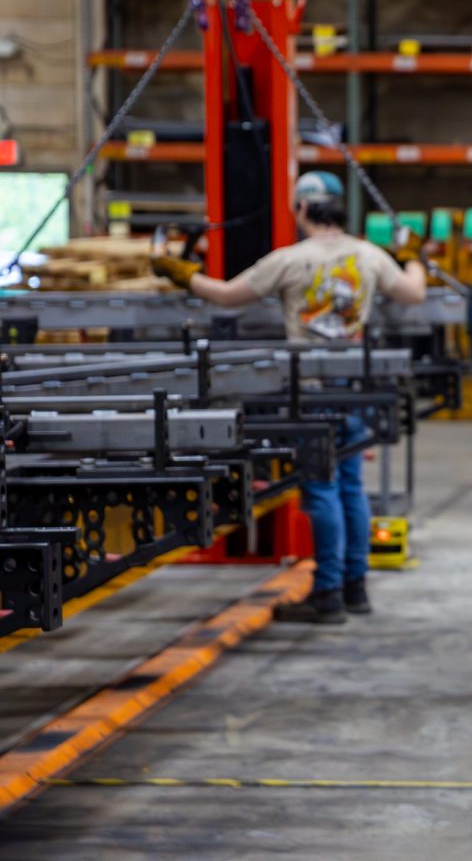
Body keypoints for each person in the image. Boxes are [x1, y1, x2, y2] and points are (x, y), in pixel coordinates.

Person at [151, 170, 428, 623]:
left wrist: (182, 274)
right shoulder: (369, 256)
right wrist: (412, 255)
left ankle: (328, 596)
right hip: (355, 387)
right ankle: (355, 589)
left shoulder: (289, 260)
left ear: (300, 208)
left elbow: (225, 296)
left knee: (321, 490)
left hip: (311, 389)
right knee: (352, 487)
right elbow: (414, 292)